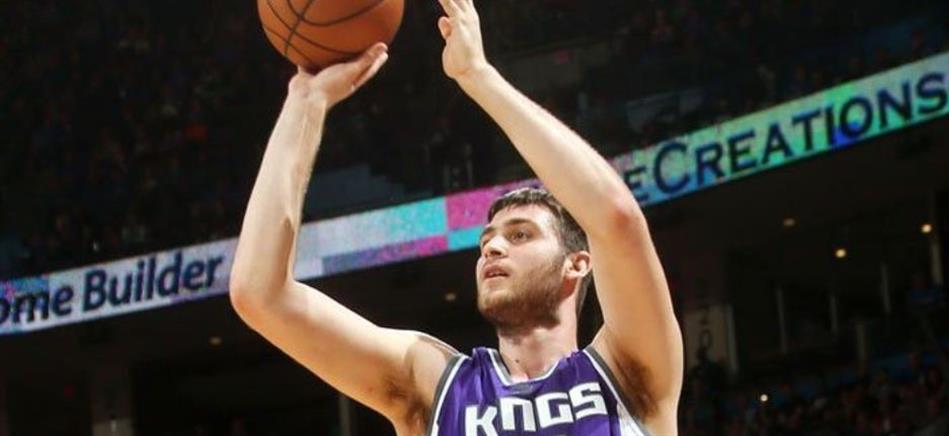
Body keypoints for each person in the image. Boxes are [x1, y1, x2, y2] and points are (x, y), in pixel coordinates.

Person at [229, 0, 683, 434]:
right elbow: (260, 293)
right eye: (487, 240)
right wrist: (304, 103)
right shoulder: (434, 386)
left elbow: (616, 219)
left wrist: (479, 77)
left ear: (577, 264)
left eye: (521, 235)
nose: (493, 247)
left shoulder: (628, 371)